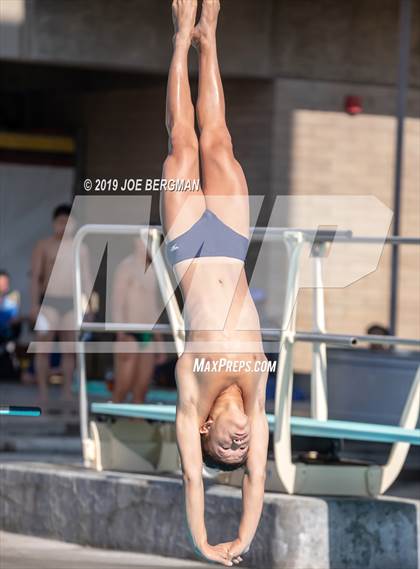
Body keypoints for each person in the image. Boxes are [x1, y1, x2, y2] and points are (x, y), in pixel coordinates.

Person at [160, 2, 269, 565]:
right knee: (220, 141)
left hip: (188, 249)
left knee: (184, 143)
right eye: (239, 450)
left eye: (223, 447)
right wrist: (243, 541)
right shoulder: (256, 397)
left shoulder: (191, 389)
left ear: (204, 429)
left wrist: (201, 540)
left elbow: (193, 482)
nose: (239, 446)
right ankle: (212, 37)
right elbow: (255, 481)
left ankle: (181, 38)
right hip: (228, 242)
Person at [30, 204, 92, 413]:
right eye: (60, 222)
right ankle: (43, 392)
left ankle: (66, 391)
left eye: (67, 222)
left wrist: (88, 307)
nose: (63, 227)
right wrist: (34, 305)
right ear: (53, 223)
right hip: (49, 302)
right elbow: (36, 279)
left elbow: (86, 279)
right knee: (43, 348)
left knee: (69, 349)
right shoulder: (44, 246)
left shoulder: (80, 248)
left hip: (71, 302)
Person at [112, 237, 166, 403]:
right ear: (136, 241)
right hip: (128, 334)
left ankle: (136, 424)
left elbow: (153, 309)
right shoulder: (126, 267)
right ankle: (112, 423)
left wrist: (160, 343)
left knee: (141, 388)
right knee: (123, 386)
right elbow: (117, 303)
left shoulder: (155, 270)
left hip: (147, 334)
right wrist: (120, 334)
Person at [0, 270, 21, 379]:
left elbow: (15, 321)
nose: (3, 286)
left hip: (5, 339)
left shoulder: (11, 303)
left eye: (5, 283)